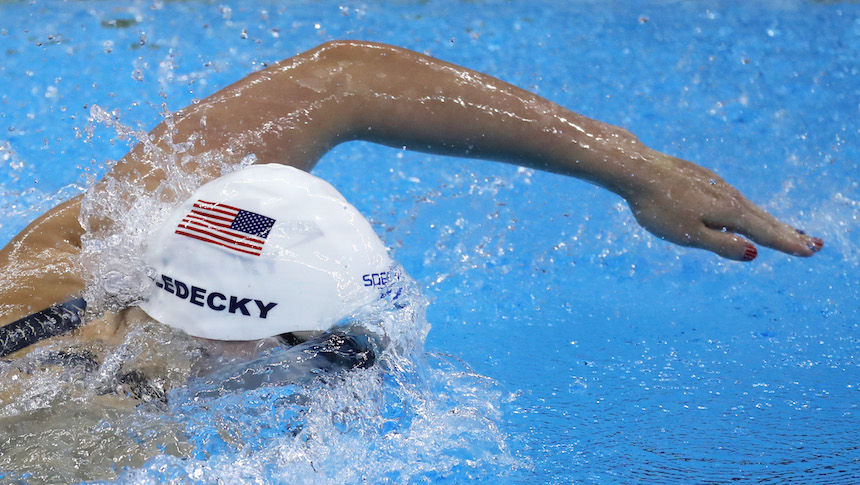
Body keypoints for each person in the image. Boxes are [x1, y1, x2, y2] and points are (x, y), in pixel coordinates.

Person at [0, 40, 822, 371]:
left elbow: (344, 78)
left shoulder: (127, 220)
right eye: (318, 342)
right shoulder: (66, 439)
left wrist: (636, 167)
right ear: (247, 332)